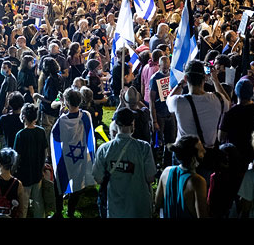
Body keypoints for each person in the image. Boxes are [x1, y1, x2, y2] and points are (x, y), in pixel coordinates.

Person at [166, 59, 230, 185]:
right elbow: (228, 102)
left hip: (183, 155)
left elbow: (168, 99)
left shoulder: (179, 102)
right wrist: (216, 80)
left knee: (181, 190)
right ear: (204, 78)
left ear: (186, 78)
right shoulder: (217, 100)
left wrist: (180, 84)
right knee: (202, 191)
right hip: (206, 155)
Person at [91, 107, 156, 218]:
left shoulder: (104, 149)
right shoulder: (144, 147)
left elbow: (98, 178)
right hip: (139, 207)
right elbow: (150, 178)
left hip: (115, 206)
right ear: (133, 124)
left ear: (116, 124)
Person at [50, 88, 97, 218]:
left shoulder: (62, 120)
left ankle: (59, 212)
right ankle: (71, 212)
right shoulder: (86, 116)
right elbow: (89, 133)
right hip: (80, 156)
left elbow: (56, 138)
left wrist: (61, 115)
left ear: (66, 102)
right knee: (78, 184)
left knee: (59, 184)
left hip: (66, 157)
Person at [155, 135, 209, 218]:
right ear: (193, 157)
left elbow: (157, 203)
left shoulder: (166, 171)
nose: (204, 151)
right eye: (201, 150)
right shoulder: (197, 181)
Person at [13, 102, 48, 218]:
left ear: (23, 117)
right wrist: (42, 166)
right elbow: (44, 151)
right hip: (37, 171)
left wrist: (13, 172)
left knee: (23, 203)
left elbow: (16, 157)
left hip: (24, 175)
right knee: (38, 201)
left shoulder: (20, 135)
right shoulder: (41, 131)